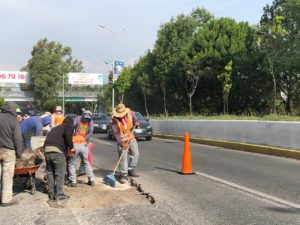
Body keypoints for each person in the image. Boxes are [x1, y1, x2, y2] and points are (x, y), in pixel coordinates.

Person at [44, 116, 75, 201]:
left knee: (50, 173)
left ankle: (51, 193)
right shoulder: (68, 125)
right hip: (57, 151)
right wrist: (72, 148)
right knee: (59, 173)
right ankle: (59, 194)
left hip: (47, 151)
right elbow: (68, 137)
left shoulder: (56, 128)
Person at [0, 102, 23, 206]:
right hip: (8, 151)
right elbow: (18, 139)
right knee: (7, 175)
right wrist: (19, 154)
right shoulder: (14, 121)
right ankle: (6, 200)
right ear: (13, 110)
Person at [112, 103, 140, 184]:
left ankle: (131, 169)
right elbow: (116, 133)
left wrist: (137, 124)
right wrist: (121, 143)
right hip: (122, 140)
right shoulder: (114, 119)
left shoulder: (131, 113)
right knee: (123, 158)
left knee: (136, 154)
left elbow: (136, 121)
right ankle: (123, 174)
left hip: (131, 137)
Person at [68, 110, 95, 187]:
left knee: (72, 162)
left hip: (76, 144)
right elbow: (90, 133)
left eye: (87, 118)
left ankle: (73, 181)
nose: (86, 120)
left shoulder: (89, 122)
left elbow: (90, 132)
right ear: (82, 115)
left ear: (90, 118)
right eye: (85, 118)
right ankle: (92, 180)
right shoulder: (78, 119)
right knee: (86, 162)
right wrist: (83, 139)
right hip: (84, 145)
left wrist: (80, 138)